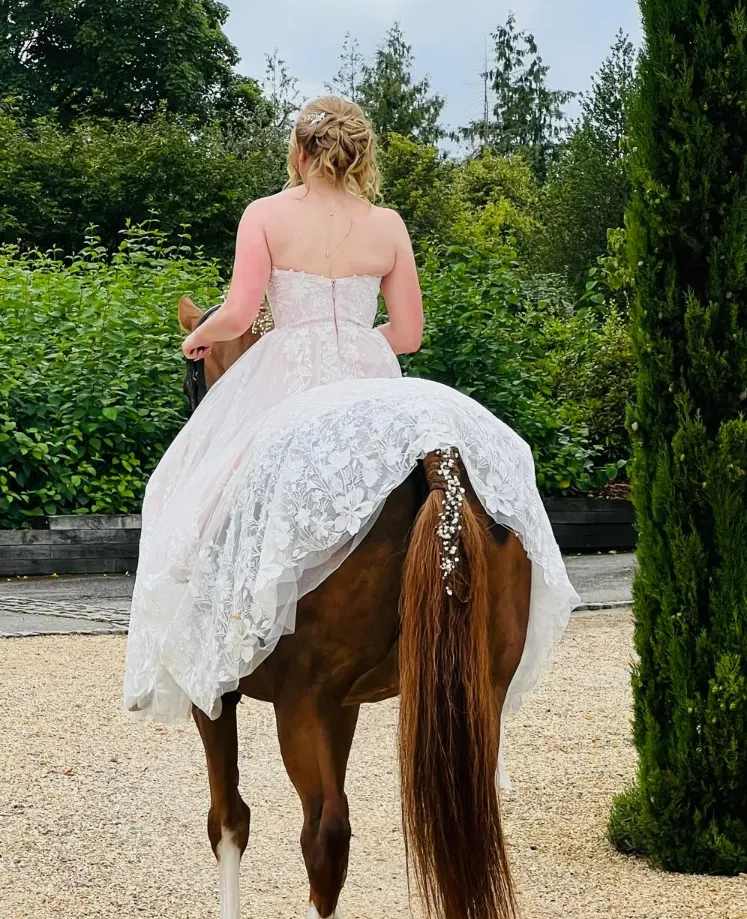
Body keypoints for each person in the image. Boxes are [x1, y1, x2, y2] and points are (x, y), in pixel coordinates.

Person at [123, 96, 577, 724]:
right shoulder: (387, 225)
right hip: (372, 377)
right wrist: (359, 342)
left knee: (196, 492)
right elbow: (409, 334)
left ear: (299, 149)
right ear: (361, 154)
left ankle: (213, 626)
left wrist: (197, 338)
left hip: (286, 377)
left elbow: (239, 310)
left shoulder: (266, 215)